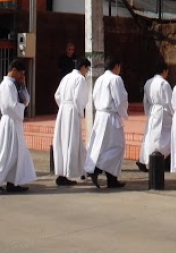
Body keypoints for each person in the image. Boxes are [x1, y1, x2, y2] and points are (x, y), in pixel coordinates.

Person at [0, 59, 36, 193]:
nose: (21, 76)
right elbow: (9, 106)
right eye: (20, 74)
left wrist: (23, 86)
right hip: (10, 122)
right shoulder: (7, 85)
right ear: (14, 70)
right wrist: (22, 106)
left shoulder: (16, 85)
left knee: (17, 153)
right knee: (7, 152)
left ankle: (13, 182)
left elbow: (26, 101)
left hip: (16, 122)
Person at [84, 56, 129, 189]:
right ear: (117, 66)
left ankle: (112, 179)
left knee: (102, 147)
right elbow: (120, 99)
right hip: (110, 117)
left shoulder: (100, 79)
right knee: (118, 146)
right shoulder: (115, 79)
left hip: (100, 116)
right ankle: (97, 169)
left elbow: (94, 96)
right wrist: (123, 112)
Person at [52, 56, 91, 187]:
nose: (87, 71)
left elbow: (57, 95)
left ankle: (72, 171)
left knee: (63, 141)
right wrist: (79, 111)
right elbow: (80, 98)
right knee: (71, 142)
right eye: (87, 69)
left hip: (63, 111)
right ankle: (68, 172)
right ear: (83, 67)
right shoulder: (80, 79)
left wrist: (63, 106)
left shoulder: (66, 77)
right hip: (72, 111)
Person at [136, 61, 173, 173]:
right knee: (164, 138)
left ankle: (145, 159)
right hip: (162, 112)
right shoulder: (164, 84)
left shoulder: (148, 82)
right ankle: (157, 160)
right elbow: (169, 101)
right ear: (165, 71)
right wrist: (173, 113)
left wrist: (147, 112)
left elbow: (145, 100)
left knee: (150, 136)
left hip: (152, 110)